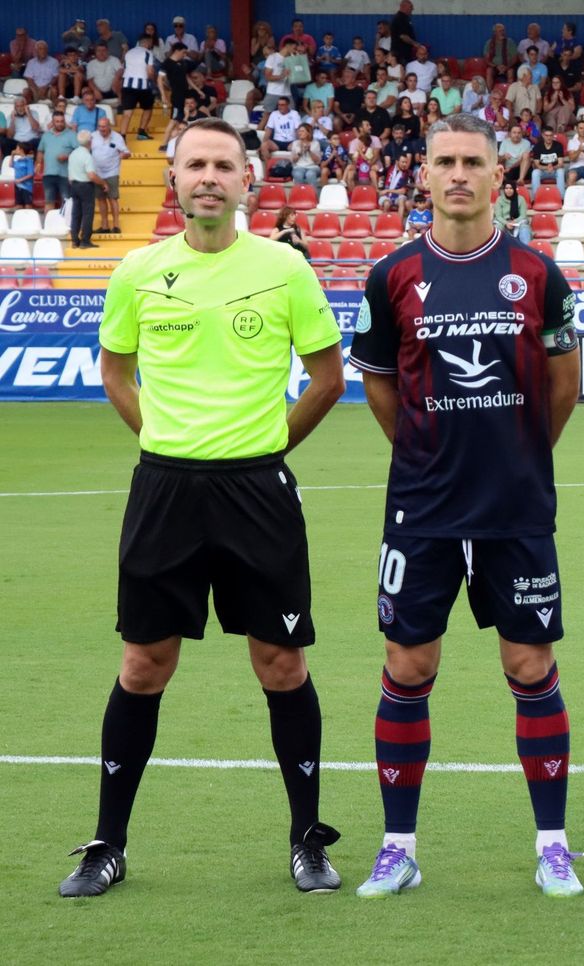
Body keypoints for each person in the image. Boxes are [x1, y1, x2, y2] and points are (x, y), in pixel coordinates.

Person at [58, 116, 346, 899]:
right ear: (176, 179)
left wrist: (267, 448)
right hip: (164, 491)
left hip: (258, 491)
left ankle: (307, 840)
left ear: (246, 179)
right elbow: (116, 369)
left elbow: (327, 376)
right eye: (195, 165)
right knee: (143, 665)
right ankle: (107, 844)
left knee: (281, 663)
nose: (209, 177)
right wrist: (159, 435)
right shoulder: (138, 272)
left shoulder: (285, 268)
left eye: (224, 164)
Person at [346, 111, 581, 900]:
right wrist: (418, 449)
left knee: (530, 664)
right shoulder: (392, 276)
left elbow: (563, 385)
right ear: (424, 174)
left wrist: (521, 454)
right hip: (423, 508)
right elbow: (378, 378)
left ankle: (553, 843)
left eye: (471, 162)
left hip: (517, 504)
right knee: (408, 666)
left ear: (496, 176)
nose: (456, 174)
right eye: (443, 160)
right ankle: (398, 847)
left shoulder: (539, 272)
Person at [90, 116, 130, 234]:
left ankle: (116, 225)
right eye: (100, 126)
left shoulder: (117, 137)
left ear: (109, 126)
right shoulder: (93, 136)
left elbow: (127, 152)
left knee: (113, 198)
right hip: (97, 172)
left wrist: (124, 155)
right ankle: (105, 225)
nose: (102, 129)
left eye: (104, 126)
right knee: (101, 199)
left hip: (112, 171)